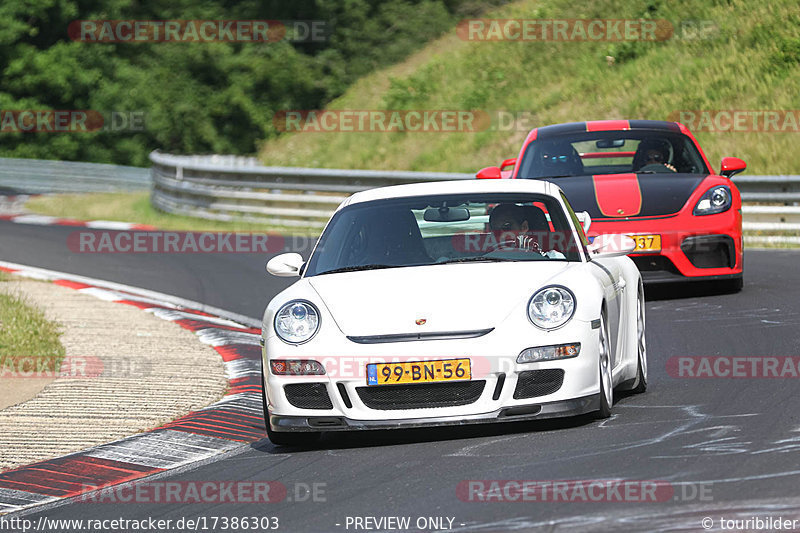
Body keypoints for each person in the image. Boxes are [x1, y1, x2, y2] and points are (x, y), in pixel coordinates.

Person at [488, 204, 565, 258]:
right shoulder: (481, 257)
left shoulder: (554, 257)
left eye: (507, 227)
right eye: (495, 230)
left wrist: (536, 255)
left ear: (524, 227)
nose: (501, 234)